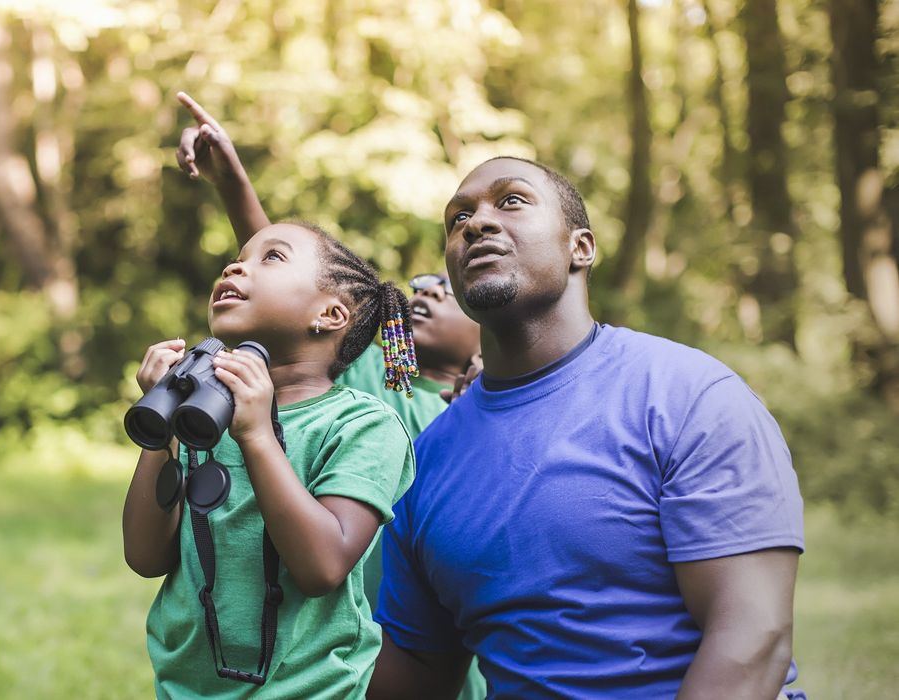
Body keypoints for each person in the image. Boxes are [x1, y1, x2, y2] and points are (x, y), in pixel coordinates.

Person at [369, 156, 806, 699]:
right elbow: (415, 668)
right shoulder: (425, 462)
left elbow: (751, 638)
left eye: (511, 201)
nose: (475, 223)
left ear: (581, 247)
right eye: (458, 218)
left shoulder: (688, 396)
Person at [174, 92, 489, 700]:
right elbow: (290, 293)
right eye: (419, 284)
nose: (424, 291)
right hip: (332, 642)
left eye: (446, 291)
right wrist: (234, 184)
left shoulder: (473, 413)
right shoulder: (373, 380)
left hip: (428, 648)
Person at [122, 216, 418, 697]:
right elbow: (144, 555)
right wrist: (162, 428)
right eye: (236, 261)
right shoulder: (201, 415)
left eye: (272, 257)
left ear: (330, 315)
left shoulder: (363, 426)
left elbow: (322, 567)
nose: (233, 270)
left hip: (311, 689)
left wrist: (258, 435)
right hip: (185, 689)